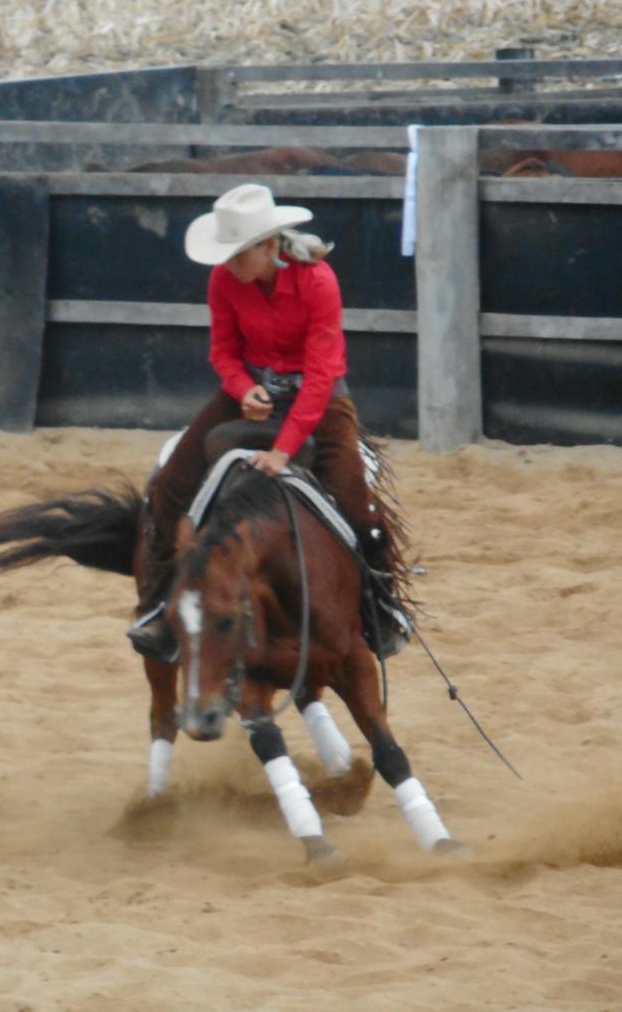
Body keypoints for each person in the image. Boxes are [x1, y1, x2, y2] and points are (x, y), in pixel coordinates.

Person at [127, 182, 412, 663]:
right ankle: (159, 606)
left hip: (319, 401)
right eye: (228, 255)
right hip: (249, 391)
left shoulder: (319, 282)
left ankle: (382, 608)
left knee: (357, 508)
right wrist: (242, 389)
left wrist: (283, 450)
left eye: (239, 254)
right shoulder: (223, 280)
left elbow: (321, 376)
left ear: (269, 245)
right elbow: (222, 350)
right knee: (169, 486)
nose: (231, 265)